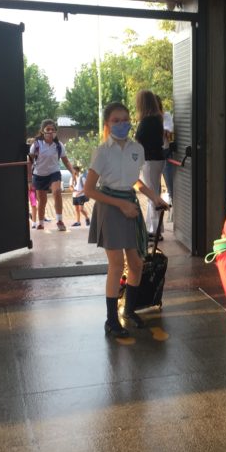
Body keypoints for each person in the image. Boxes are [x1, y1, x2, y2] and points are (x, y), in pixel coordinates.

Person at [84, 102, 168, 343]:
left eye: (125, 119)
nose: (122, 124)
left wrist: (155, 198)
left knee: (137, 263)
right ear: (107, 125)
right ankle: (111, 321)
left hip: (130, 206)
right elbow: (89, 190)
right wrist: (120, 204)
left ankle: (129, 310)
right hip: (111, 208)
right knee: (116, 265)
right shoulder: (102, 151)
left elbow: (136, 182)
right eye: (116, 121)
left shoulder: (137, 149)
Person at [29, 119, 77, 231]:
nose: (50, 132)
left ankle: (60, 220)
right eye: (48, 129)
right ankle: (40, 223)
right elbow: (29, 162)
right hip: (39, 175)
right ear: (42, 131)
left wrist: (73, 172)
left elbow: (65, 161)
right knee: (42, 201)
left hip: (54, 173)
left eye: (53, 129)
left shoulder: (59, 145)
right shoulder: (36, 145)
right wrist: (29, 180)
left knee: (57, 192)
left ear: (56, 132)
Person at [134, 90, 166, 239]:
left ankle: (156, 230)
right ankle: (154, 228)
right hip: (155, 159)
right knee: (153, 193)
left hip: (150, 160)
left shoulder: (148, 121)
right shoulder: (157, 119)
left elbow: (139, 139)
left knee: (152, 194)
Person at [158, 95, 175, 204]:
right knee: (154, 186)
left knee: (169, 182)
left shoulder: (166, 116)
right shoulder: (147, 119)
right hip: (151, 154)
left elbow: (168, 133)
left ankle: (172, 201)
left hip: (164, 152)